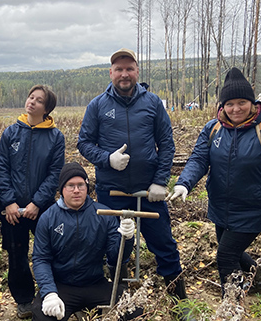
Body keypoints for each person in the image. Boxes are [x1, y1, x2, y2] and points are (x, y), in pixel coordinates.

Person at [167, 67, 261, 296]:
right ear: (222, 106)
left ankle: (231, 305)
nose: (235, 109)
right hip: (220, 207)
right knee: (232, 251)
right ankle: (259, 283)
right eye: (229, 104)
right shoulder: (213, 129)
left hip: (252, 209)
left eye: (242, 102)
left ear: (253, 103)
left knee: (225, 257)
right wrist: (184, 183)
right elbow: (199, 159)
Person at [77, 48, 187, 299]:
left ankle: (179, 301)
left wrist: (160, 181)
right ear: (111, 73)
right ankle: (119, 295)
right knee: (116, 246)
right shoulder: (97, 105)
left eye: (129, 69)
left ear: (137, 72)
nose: (124, 74)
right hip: (111, 192)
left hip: (149, 191)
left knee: (164, 244)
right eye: (119, 69)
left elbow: (166, 144)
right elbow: (84, 143)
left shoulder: (152, 103)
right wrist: (108, 159)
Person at [31, 162, 136, 321]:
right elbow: (40, 259)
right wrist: (49, 293)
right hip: (62, 285)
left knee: (134, 309)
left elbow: (116, 258)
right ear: (61, 189)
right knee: (42, 315)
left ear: (87, 187)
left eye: (81, 185)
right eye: (70, 185)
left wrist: (127, 238)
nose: (76, 190)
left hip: (95, 283)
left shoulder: (104, 214)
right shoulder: (48, 218)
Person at [0, 85, 65, 318]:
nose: (32, 102)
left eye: (38, 100)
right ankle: (24, 299)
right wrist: (8, 202)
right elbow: (1, 168)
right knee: (16, 254)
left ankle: (51, 293)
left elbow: (54, 174)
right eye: (30, 97)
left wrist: (38, 203)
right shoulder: (10, 133)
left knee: (49, 251)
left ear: (47, 108)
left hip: (42, 208)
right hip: (12, 209)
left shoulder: (55, 137)